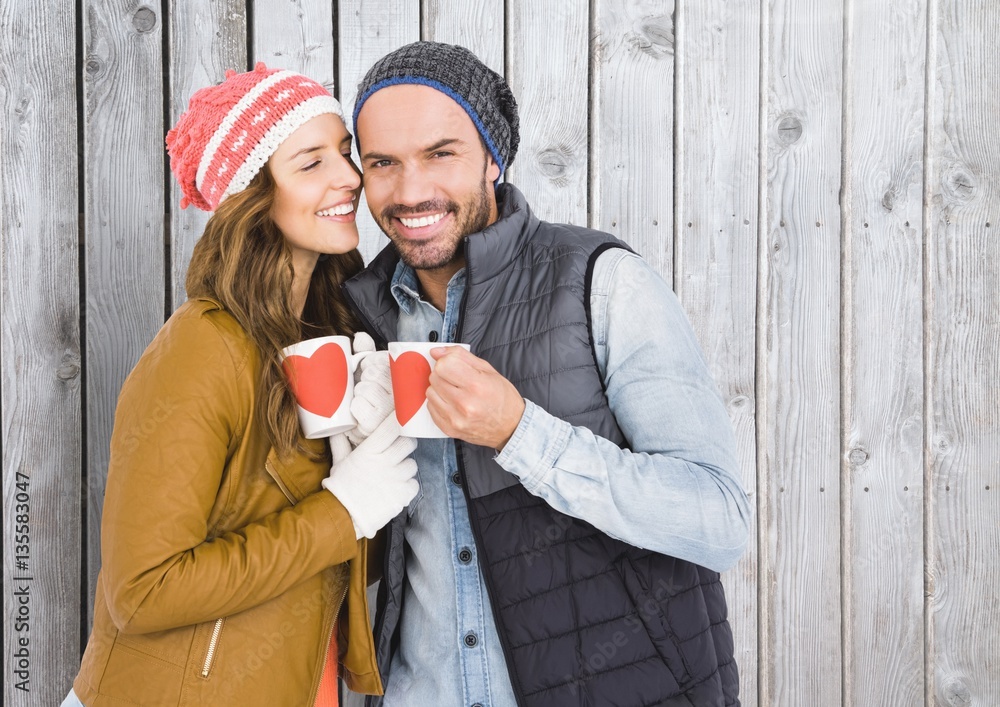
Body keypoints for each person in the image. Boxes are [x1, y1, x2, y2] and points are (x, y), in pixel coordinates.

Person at [342, 42, 752, 707]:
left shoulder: (601, 282)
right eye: (383, 162)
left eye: (441, 154)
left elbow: (718, 519)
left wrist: (519, 431)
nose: (410, 190)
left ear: (493, 159)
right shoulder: (360, 316)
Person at [62, 64, 418, 707]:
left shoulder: (326, 335)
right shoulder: (202, 347)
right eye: (310, 163)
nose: (350, 177)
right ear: (252, 195)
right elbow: (142, 591)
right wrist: (343, 508)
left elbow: (321, 561)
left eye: (344, 153)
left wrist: (362, 466)